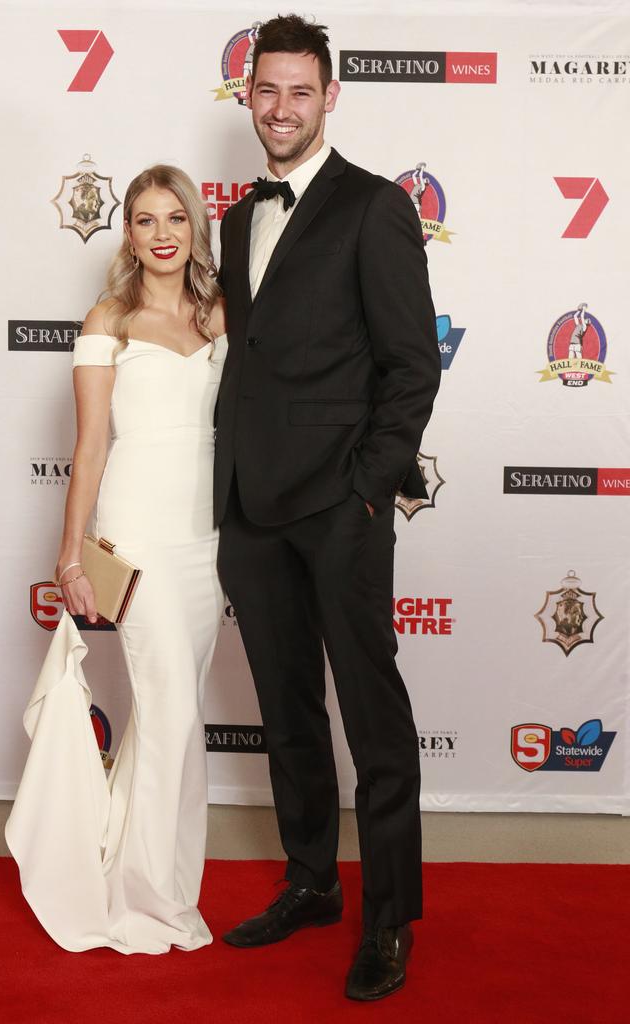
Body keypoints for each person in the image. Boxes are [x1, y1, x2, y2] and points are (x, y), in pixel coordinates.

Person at [214, 16, 441, 1002]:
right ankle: (312, 878)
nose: (281, 108)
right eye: (267, 90)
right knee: (289, 713)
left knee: (372, 715)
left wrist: (368, 487)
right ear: (247, 95)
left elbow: (410, 365)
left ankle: (388, 917)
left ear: (330, 96)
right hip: (252, 510)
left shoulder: (374, 206)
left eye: (301, 92)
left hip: (340, 508)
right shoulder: (231, 218)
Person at [6, 165, 227, 955]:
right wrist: (71, 555)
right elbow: (90, 446)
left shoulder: (222, 317)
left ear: (195, 227)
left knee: (179, 716)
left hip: (209, 540)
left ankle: (157, 877)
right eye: (144, 220)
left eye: (176, 218)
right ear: (127, 233)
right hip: (137, 535)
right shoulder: (108, 319)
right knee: (168, 713)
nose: (163, 234)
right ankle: (147, 900)